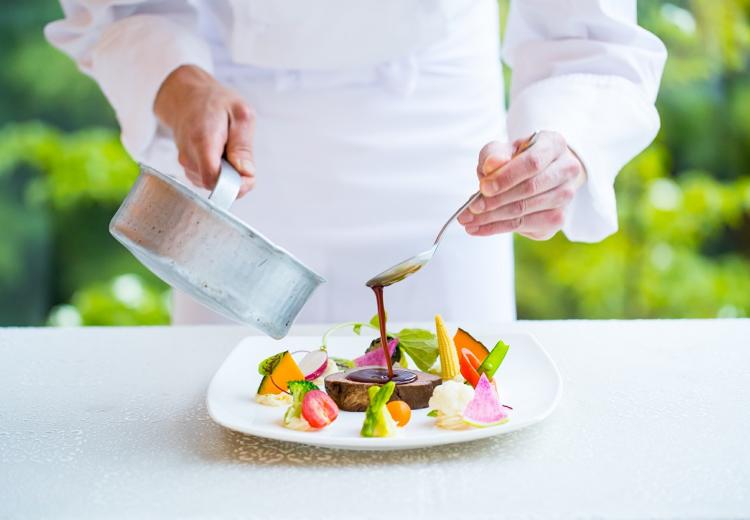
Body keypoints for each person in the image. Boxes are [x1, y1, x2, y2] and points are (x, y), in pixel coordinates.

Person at [46, 0, 666, 324]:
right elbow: (119, 8)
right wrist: (174, 81)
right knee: (230, 440)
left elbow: (587, 33)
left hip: (439, 124)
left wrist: (563, 139)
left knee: (455, 419)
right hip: (237, 130)